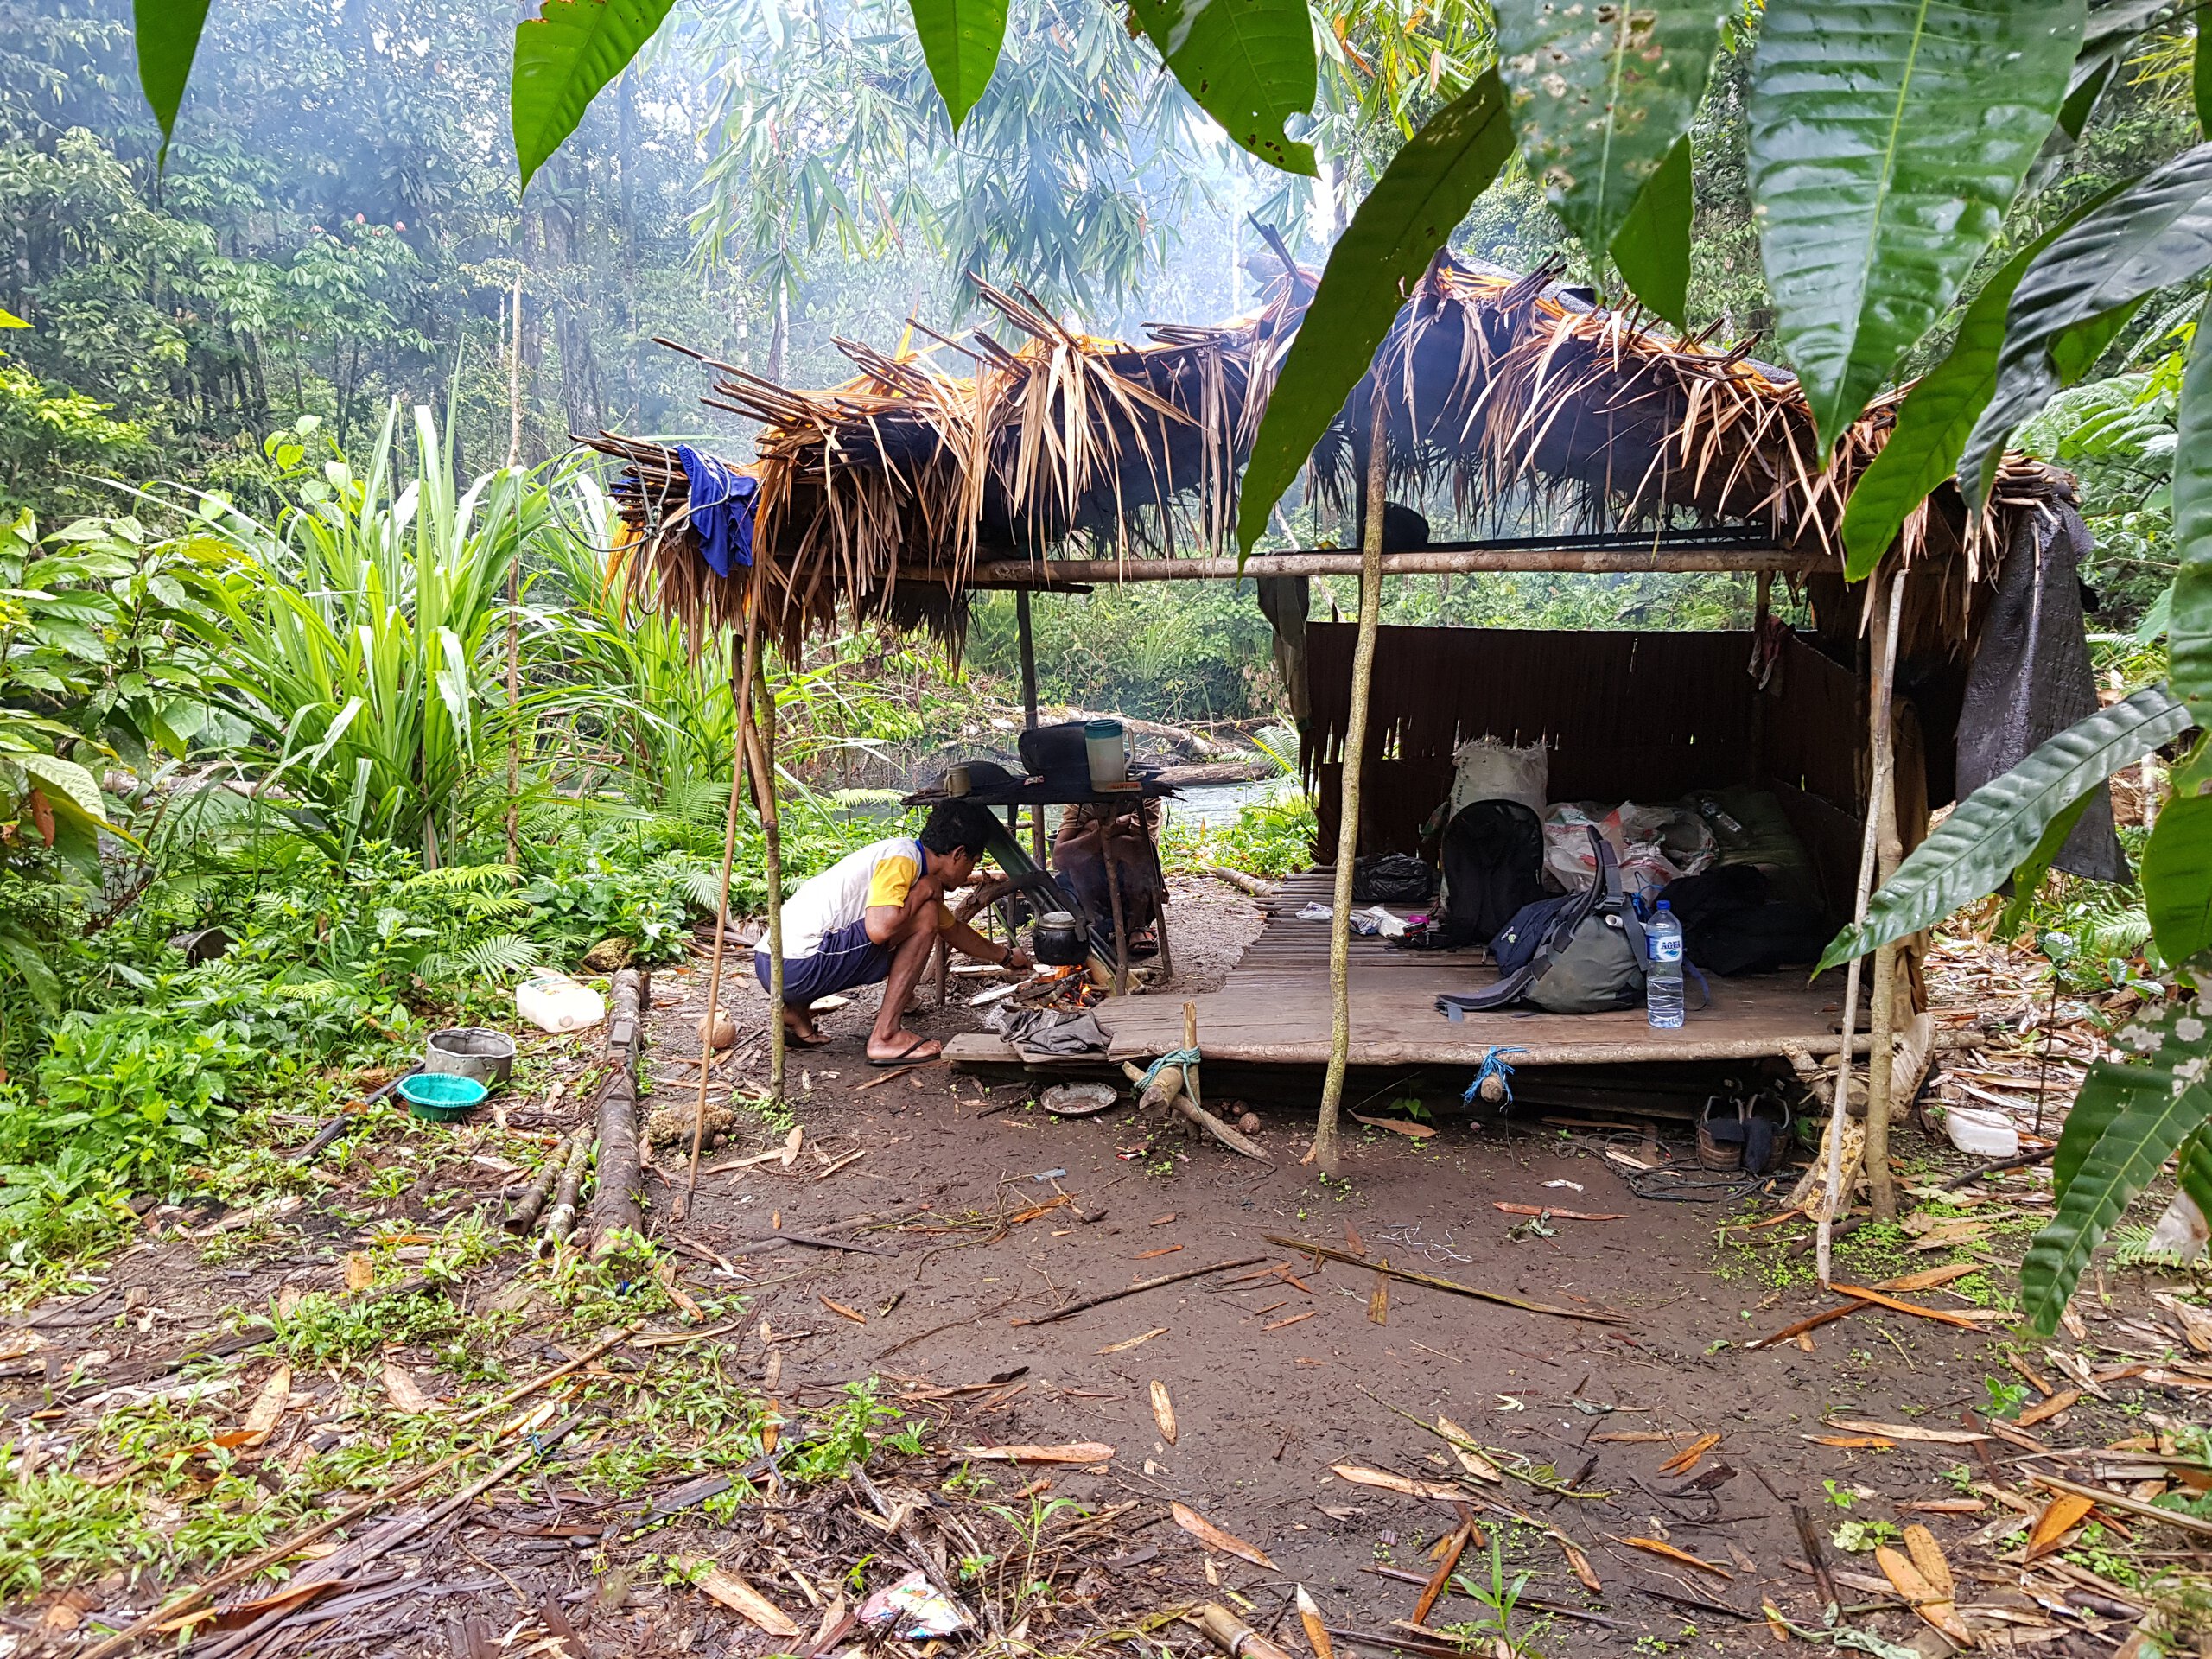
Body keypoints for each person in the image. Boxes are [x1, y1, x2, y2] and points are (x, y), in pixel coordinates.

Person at [755, 799, 1029, 1065]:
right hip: (797, 967)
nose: (971, 870)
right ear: (958, 854)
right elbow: (880, 929)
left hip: (771, 963)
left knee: (925, 915)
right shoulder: (903, 858)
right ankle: (885, 1036)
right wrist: (925, 890)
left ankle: (795, 1013)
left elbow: (953, 930)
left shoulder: (907, 860)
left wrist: (1005, 956)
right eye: (973, 861)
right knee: (926, 917)